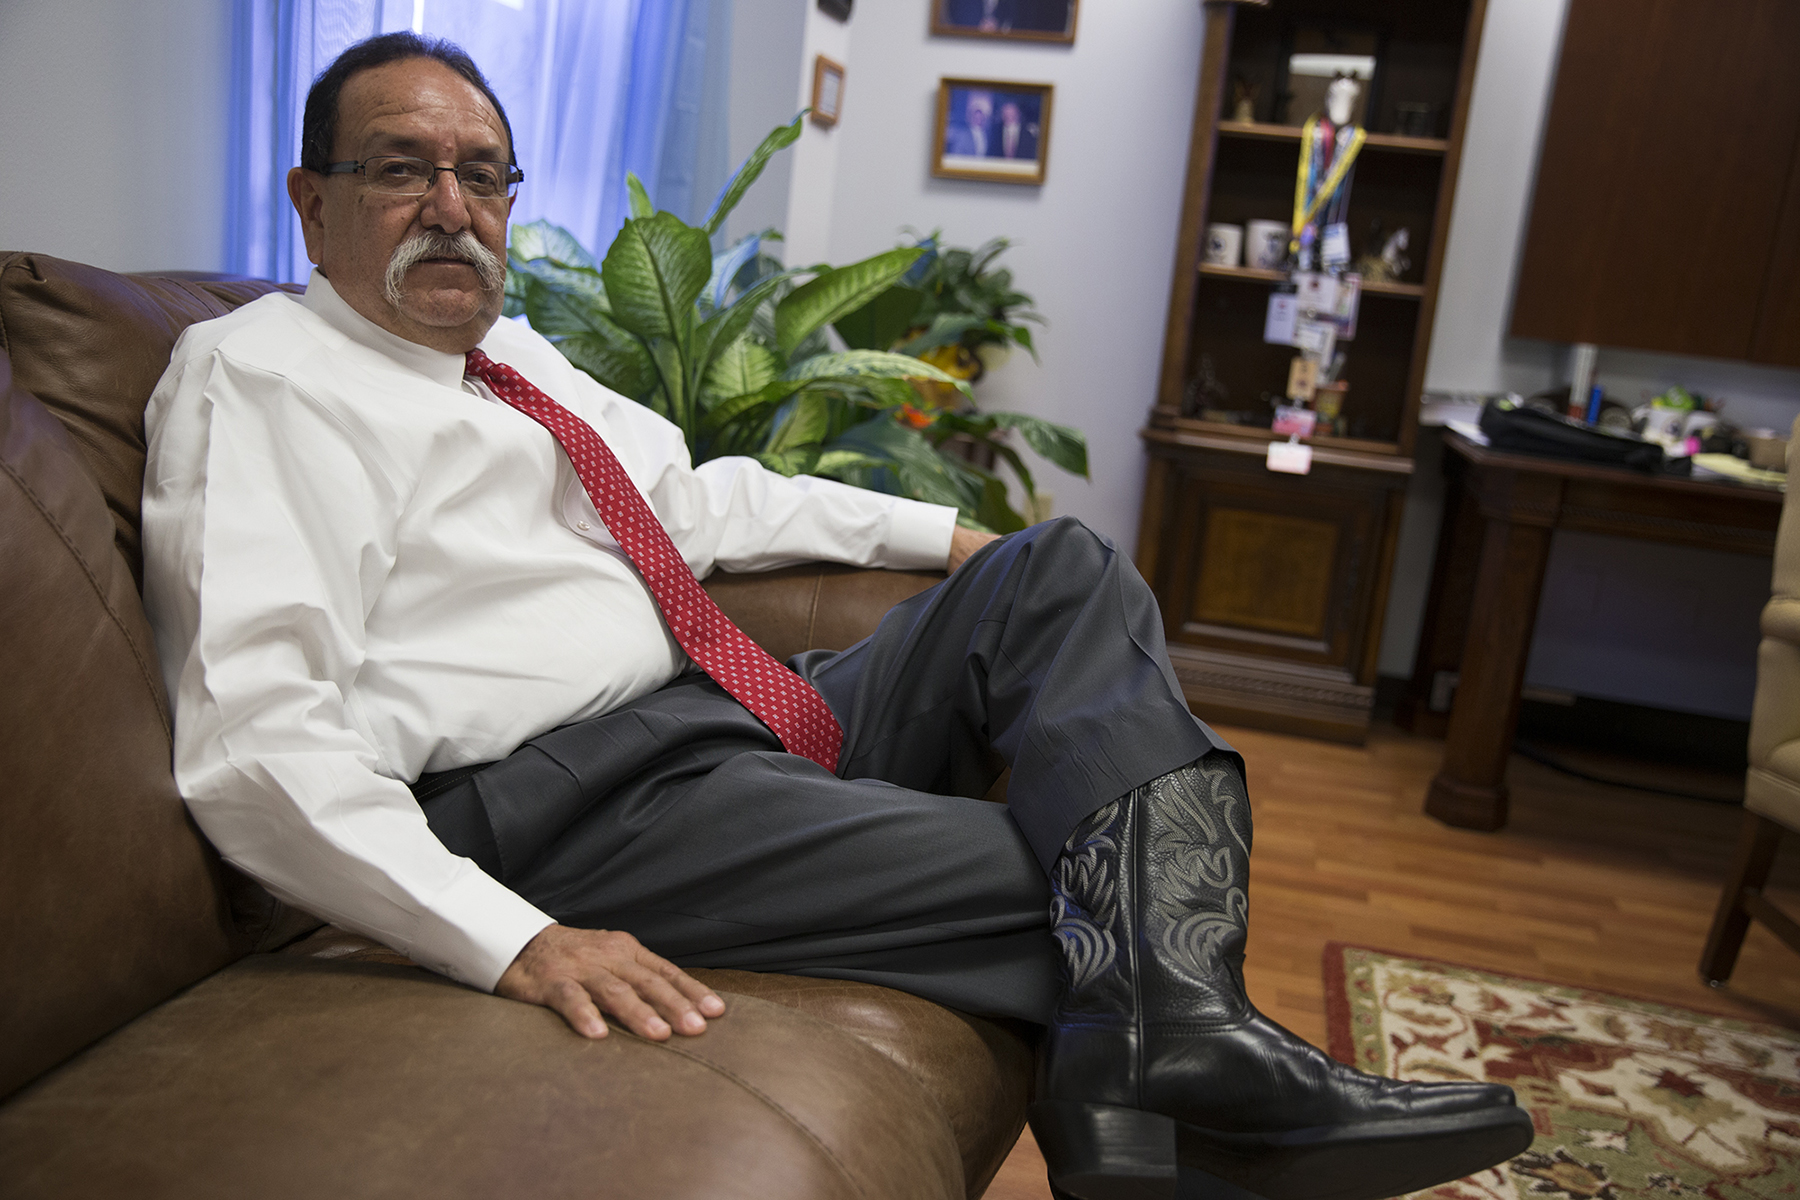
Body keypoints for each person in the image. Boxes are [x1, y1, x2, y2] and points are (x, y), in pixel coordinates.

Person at [140, 32, 1531, 1200]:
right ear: (309, 199)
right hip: (553, 804)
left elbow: (691, 503)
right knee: (1070, 874)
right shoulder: (254, 379)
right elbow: (256, 740)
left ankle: (1143, 1088)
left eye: (483, 173)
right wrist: (512, 937)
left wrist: (945, 533)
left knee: (1062, 568)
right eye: (400, 169)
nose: (451, 204)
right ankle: (1157, 1109)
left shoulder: (510, 353)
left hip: (705, 709)